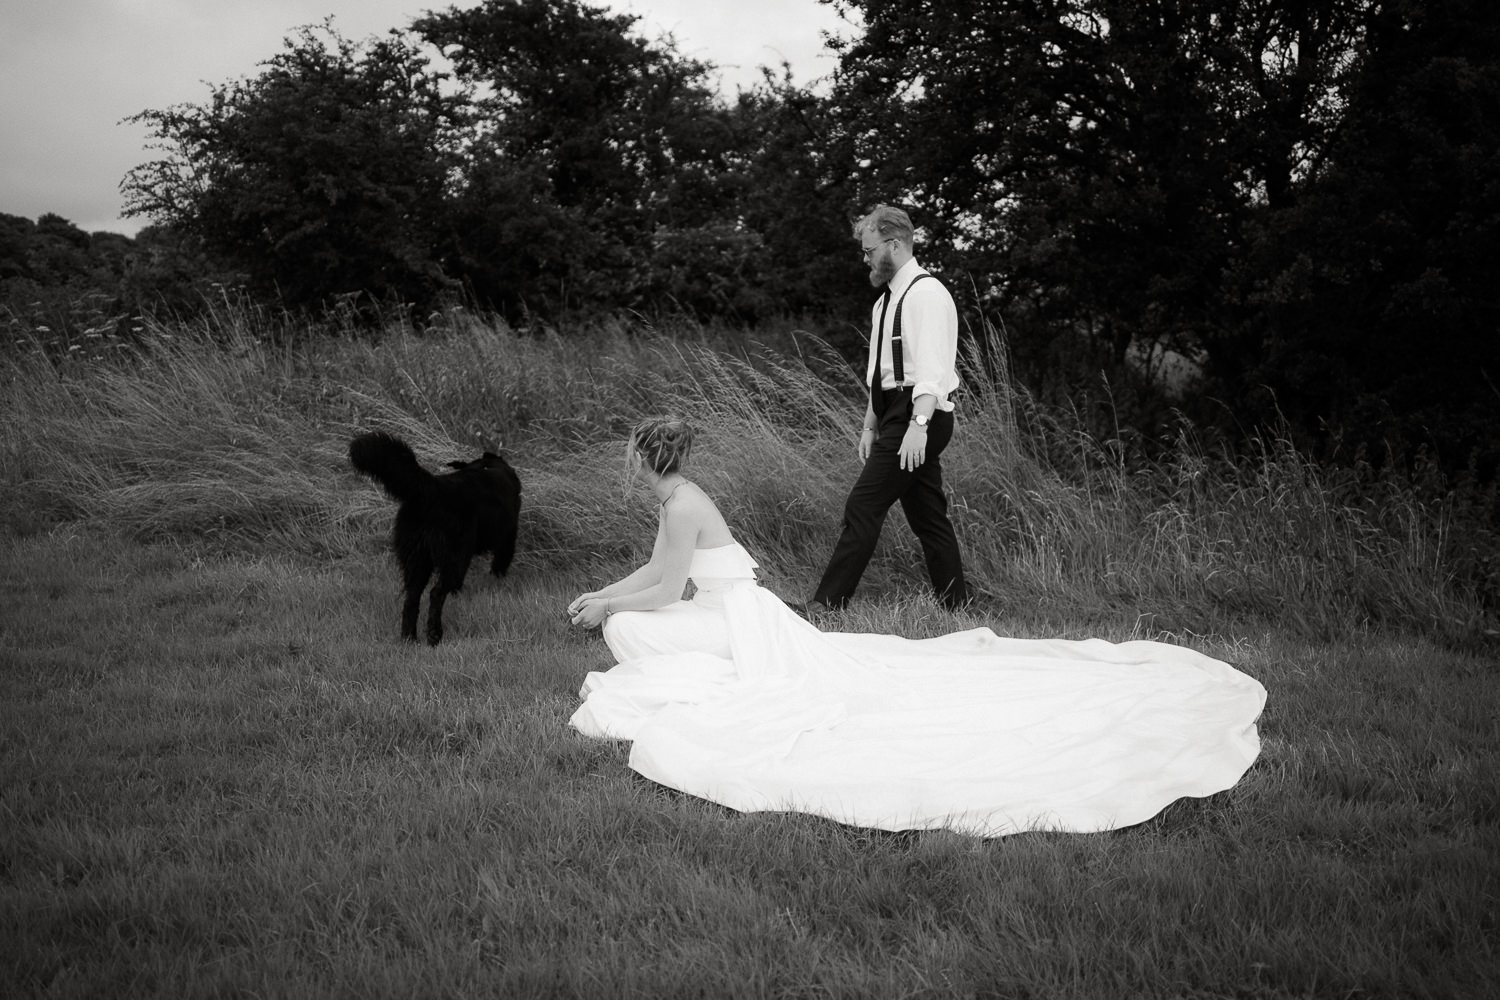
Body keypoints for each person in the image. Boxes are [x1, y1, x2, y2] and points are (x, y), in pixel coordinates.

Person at [568, 417, 1267, 838]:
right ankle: (692, 662)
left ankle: (712, 672)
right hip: (722, 611)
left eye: (629, 454)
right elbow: (656, 573)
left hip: (740, 619)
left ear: (645, 459)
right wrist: (602, 592)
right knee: (629, 629)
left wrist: (610, 610)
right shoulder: (675, 502)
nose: (626, 463)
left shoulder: (684, 504)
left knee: (630, 635)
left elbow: (665, 588)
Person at [803, 205, 967, 616]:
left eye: (869, 250)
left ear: (894, 244)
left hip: (921, 414)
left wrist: (919, 424)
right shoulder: (884, 303)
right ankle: (957, 607)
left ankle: (826, 607)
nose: (865, 259)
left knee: (863, 505)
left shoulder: (927, 294)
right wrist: (869, 424)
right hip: (895, 412)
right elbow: (882, 371)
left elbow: (932, 371)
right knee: (928, 516)